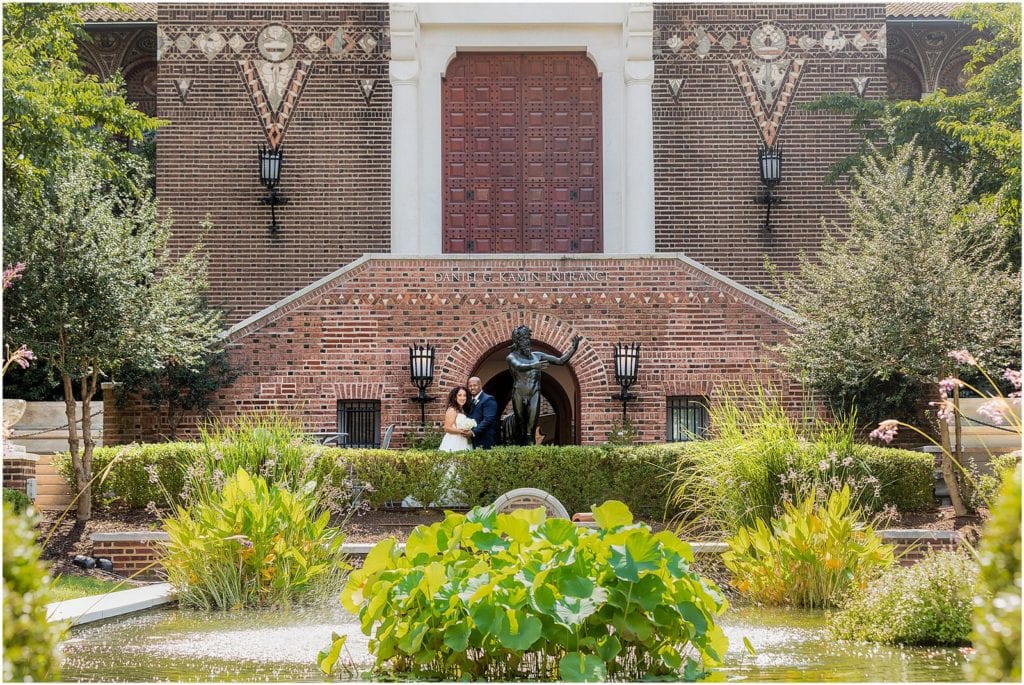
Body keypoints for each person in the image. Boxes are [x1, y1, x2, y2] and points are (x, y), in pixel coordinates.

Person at [506, 326, 582, 445]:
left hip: (534, 393)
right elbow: (518, 366)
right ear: (517, 342)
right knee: (521, 428)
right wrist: (533, 366)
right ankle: (518, 452)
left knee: (530, 429)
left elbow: (560, 361)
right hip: (519, 394)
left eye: (527, 339)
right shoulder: (512, 357)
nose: (526, 342)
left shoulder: (538, 355)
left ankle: (530, 455)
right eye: (523, 340)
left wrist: (573, 349)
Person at [438, 385, 474, 453]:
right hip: (454, 440)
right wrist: (462, 431)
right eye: (459, 395)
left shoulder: (462, 410)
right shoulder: (452, 409)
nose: (462, 398)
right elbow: (447, 428)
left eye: (464, 395)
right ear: (455, 397)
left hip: (463, 440)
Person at [466, 376, 498, 449]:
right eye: (470, 386)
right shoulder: (468, 400)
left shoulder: (489, 399)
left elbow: (488, 420)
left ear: (480, 385)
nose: (472, 388)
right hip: (471, 440)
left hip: (484, 439)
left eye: (475, 385)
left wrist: (473, 432)